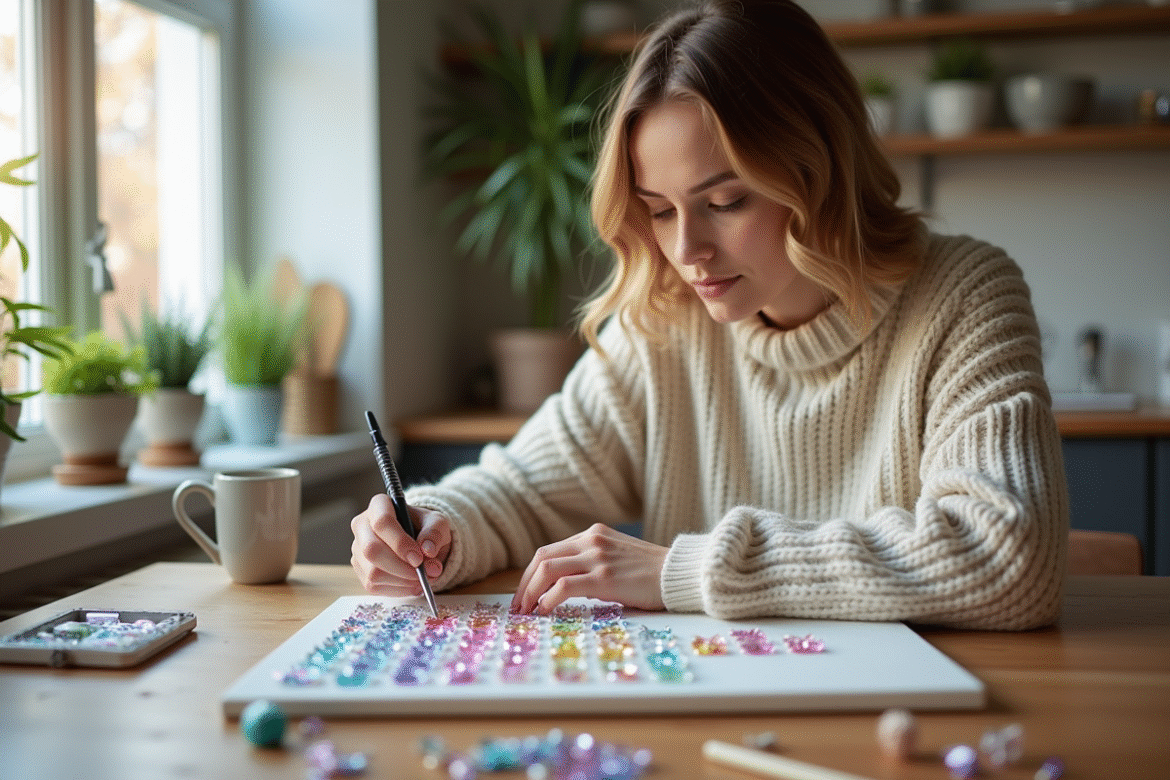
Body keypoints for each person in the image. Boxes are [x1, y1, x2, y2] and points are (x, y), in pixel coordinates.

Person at [351, 0, 1068, 630]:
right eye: (660, 211)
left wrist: (684, 570)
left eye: (725, 201)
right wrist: (435, 527)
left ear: (819, 170)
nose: (686, 251)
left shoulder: (965, 294)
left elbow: (1010, 559)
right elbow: (521, 489)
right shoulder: (666, 319)